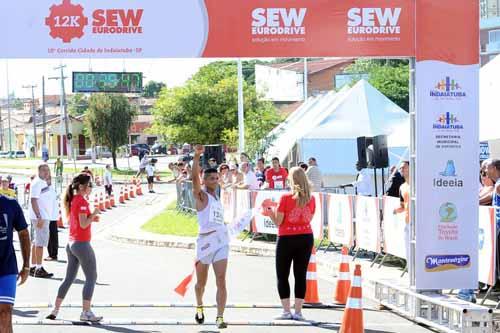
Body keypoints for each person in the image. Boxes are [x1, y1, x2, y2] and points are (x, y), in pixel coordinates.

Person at [46, 173, 102, 322]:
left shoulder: (74, 200)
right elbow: (84, 223)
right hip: (81, 244)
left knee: (69, 278)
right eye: (90, 185)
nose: (91, 188)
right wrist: (94, 213)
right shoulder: (82, 201)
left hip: (71, 243)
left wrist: (91, 218)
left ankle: (55, 309)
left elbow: (79, 222)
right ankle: (86, 312)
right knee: (91, 277)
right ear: (83, 187)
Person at [263, 167, 315, 321]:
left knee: (282, 275)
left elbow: (279, 222)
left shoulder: (285, 197)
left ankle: (286, 311)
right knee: (300, 275)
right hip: (306, 237)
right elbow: (309, 219)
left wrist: (269, 212)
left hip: (287, 238)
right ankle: (298, 312)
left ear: (291, 180)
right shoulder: (311, 198)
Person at [192, 144, 229, 329]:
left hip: (221, 242)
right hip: (205, 242)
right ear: (205, 180)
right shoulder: (202, 196)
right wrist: (196, 158)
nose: (215, 180)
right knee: (201, 283)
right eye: (211, 178)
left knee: (221, 279)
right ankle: (199, 305)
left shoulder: (217, 197)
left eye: (217, 178)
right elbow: (193, 181)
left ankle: (220, 317)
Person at [0, 194, 31, 333]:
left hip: (7, 267)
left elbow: (23, 233)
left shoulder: (10, 203)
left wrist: (26, 265)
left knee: (5, 313)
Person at [28, 164, 54, 278]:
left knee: (36, 241)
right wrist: (39, 216)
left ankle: (33, 266)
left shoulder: (42, 182)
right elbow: (34, 200)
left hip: (43, 216)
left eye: (47, 170)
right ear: (38, 171)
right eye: (44, 170)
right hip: (40, 217)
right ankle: (38, 268)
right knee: (40, 243)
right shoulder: (37, 182)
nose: (46, 172)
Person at [393, 161, 410, 262]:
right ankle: (411, 274)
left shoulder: (417, 184)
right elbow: (403, 206)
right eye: (401, 168)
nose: (402, 170)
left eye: (404, 167)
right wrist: (396, 210)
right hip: (408, 223)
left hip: (419, 223)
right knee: (408, 251)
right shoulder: (402, 187)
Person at [46, 175, 60, 262]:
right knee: (52, 236)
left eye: (48, 179)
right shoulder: (50, 190)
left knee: (51, 236)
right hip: (51, 216)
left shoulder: (49, 190)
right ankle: (52, 254)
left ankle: (53, 254)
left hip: (50, 216)